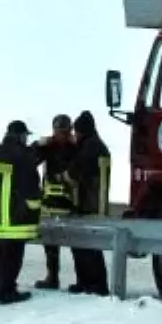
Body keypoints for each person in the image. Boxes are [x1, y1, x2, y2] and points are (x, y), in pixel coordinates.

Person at [0, 120, 42, 305]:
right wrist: (35, 206)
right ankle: (8, 291)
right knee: (13, 256)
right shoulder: (23, 155)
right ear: (20, 135)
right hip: (16, 216)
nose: (26, 139)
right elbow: (32, 184)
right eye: (25, 135)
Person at [66, 110, 112, 296]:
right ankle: (86, 282)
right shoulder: (97, 145)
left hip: (89, 204)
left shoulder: (90, 147)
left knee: (88, 248)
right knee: (85, 246)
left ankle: (95, 285)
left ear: (82, 131)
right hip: (95, 203)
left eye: (76, 132)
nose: (74, 135)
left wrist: (63, 176)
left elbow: (74, 173)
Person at [30, 114, 78, 290]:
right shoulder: (48, 147)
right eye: (59, 132)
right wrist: (37, 145)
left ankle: (80, 279)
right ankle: (52, 277)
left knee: (77, 243)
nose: (62, 135)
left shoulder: (76, 148)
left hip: (70, 203)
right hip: (50, 203)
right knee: (50, 242)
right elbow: (30, 160)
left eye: (65, 132)